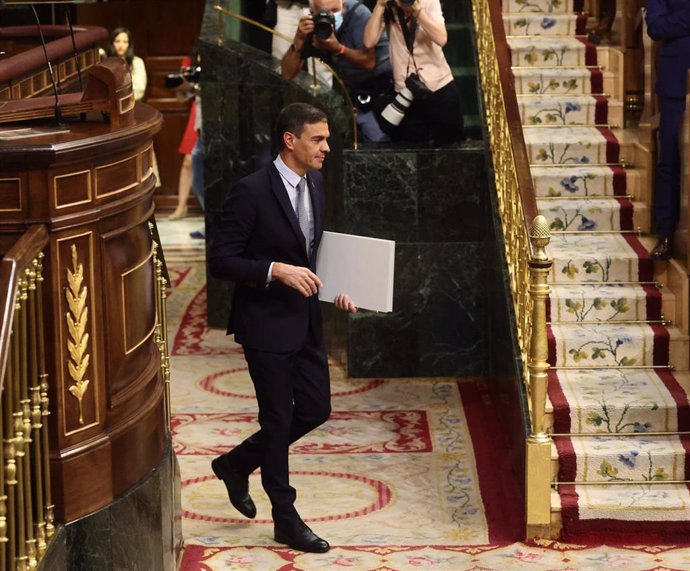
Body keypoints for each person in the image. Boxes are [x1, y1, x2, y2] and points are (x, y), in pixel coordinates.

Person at [209, 103, 357, 553]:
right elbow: (221, 260)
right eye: (318, 139)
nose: (327, 148)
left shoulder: (315, 181)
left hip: (306, 318)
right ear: (290, 140)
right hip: (265, 324)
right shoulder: (250, 191)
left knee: (314, 409)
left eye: (327, 139)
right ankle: (285, 517)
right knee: (276, 420)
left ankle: (236, 463)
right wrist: (274, 270)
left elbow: (313, 249)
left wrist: (340, 288)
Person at [281, 0, 393, 142]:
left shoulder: (358, 15)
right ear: (312, 14)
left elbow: (368, 63)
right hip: (360, 98)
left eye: (335, 10)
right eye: (325, 12)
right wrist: (299, 39)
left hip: (388, 88)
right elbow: (287, 74)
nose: (331, 16)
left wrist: (337, 48)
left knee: (389, 144)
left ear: (343, 4)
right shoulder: (316, 29)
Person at [363, 0, 463, 143]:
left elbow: (441, 38)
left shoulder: (428, 2)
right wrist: (379, 6)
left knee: (450, 148)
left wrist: (418, 12)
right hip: (405, 92)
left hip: (439, 88)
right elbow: (369, 42)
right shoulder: (389, 7)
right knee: (411, 151)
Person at [646, 0, 690, 260]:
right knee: (670, 157)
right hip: (675, 83)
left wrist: (681, 22)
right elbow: (656, 26)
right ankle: (666, 233)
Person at [169, 54, 200, 221]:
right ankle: (181, 206)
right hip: (198, 109)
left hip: (215, 108)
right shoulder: (191, 61)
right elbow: (181, 97)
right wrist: (181, 85)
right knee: (188, 161)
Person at [107, 27, 147, 101]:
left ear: (129, 44)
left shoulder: (137, 62)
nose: (121, 45)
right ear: (112, 43)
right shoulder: (105, 61)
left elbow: (139, 90)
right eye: (117, 41)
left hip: (131, 104)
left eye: (125, 42)